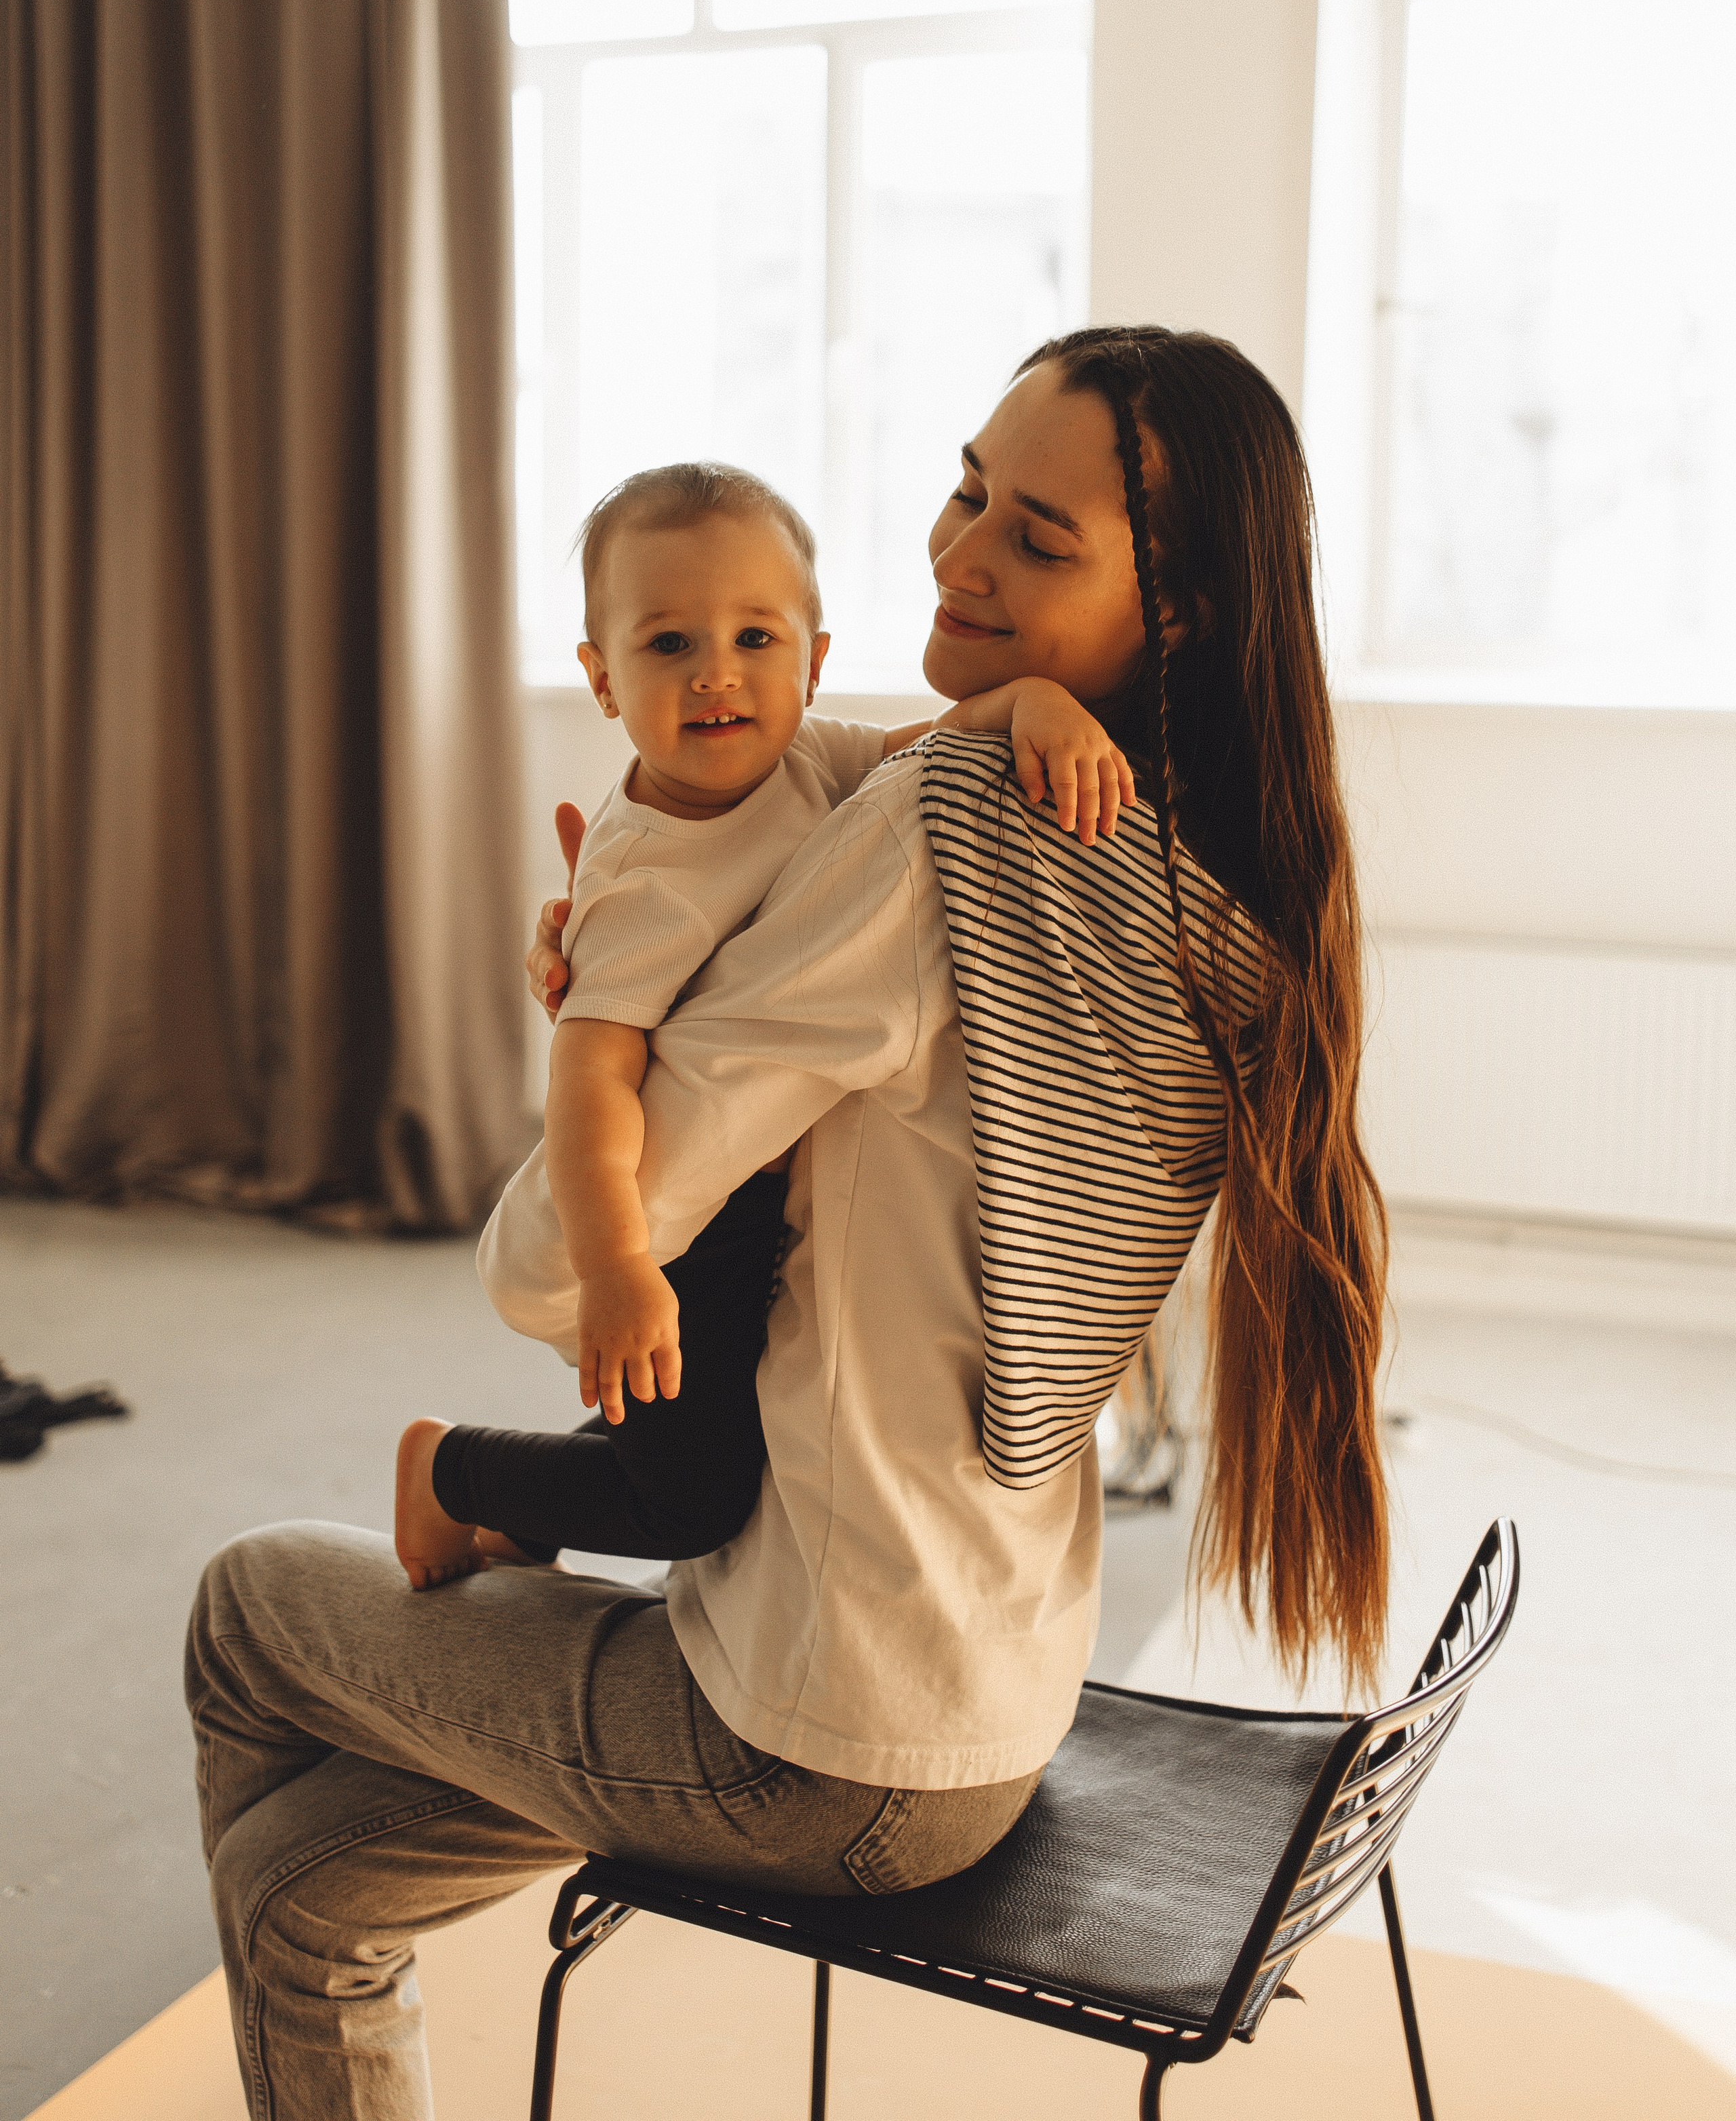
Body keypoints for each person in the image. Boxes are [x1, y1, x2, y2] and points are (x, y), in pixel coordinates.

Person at [185, 327, 1388, 2121]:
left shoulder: (953, 831)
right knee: (298, 1889)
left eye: (1036, 538)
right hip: (988, 1689)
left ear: (1179, 611)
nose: (958, 553)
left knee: (247, 1605)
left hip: (813, 1744)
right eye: (966, 489)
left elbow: (551, 1268)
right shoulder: (1210, 885)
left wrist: (621, 1019)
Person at [393, 459, 1132, 1585]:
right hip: (684, 1226)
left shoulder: (808, 756)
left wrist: (1033, 703)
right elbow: (588, 1085)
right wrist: (617, 1265)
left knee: (722, 1416)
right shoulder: (644, 878)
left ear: (812, 661)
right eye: (669, 644)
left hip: (763, 1185)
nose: (716, 675)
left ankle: (527, 1517)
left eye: (754, 638)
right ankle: (452, 1473)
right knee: (693, 1499)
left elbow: (933, 748)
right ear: (602, 680)